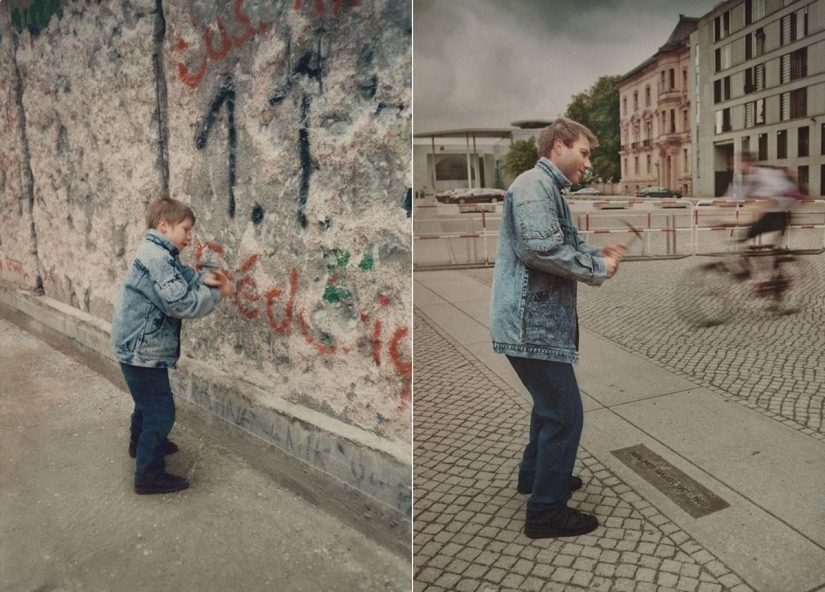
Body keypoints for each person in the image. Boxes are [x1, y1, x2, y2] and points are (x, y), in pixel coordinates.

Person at [489, 118, 625, 539]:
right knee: (565, 416)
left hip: (534, 322)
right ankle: (546, 513)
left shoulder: (547, 188)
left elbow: (558, 243)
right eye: (584, 153)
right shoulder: (534, 186)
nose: (587, 164)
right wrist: (598, 267)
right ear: (559, 146)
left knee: (548, 408)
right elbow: (540, 249)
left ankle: (535, 477)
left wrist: (594, 251)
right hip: (532, 324)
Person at [111, 196, 234, 495]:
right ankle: (148, 476)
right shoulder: (156, 258)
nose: (189, 239)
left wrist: (208, 278)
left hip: (137, 348)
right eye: (186, 230)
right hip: (141, 351)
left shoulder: (160, 253)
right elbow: (181, 303)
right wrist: (218, 293)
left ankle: (140, 445)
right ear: (164, 226)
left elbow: (183, 278)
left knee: (147, 403)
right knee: (160, 412)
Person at [727, 152, 804, 246]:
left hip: (778, 213)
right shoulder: (750, 176)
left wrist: (747, 217)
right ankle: (773, 255)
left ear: (746, 163)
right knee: (750, 234)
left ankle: (775, 255)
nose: (733, 166)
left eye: (735, 162)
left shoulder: (763, 174)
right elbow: (740, 197)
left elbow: (775, 197)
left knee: (751, 234)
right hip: (773, 212)